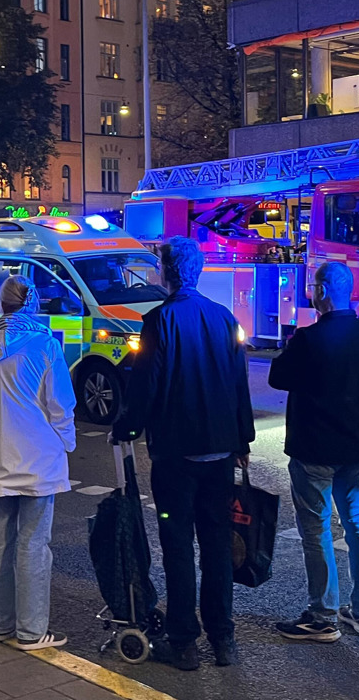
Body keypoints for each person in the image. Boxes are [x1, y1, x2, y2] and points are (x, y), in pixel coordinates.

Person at [114, 236, 254, 670]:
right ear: (198, 271)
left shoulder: (159, 321)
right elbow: (238, 385)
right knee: (216, 546)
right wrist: (242, 442)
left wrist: (128, 428)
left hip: (176, 457)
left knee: (177, 548)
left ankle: (184, 642)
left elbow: (146, 385)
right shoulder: (223, 317)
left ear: (166, 272)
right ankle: (223, 638)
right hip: (219, 455)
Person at [269, 260, 359, 640]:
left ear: (324, 291)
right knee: (357, 523)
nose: (311, 293)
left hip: (315, 446)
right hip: (353, 443)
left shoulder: (309, 338)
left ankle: (323, 615)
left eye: (315, 286)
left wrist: (290, 347)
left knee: (316, 531)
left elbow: (277, 375)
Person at [0, 275, 75, 651]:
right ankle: (31, 631)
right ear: (32, 303)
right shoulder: (44, 344)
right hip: (40, 458)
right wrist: (66, 442)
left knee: (0, 540)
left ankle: (3, 624)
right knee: (33, 544)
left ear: (1, 304)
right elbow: (60, 404)